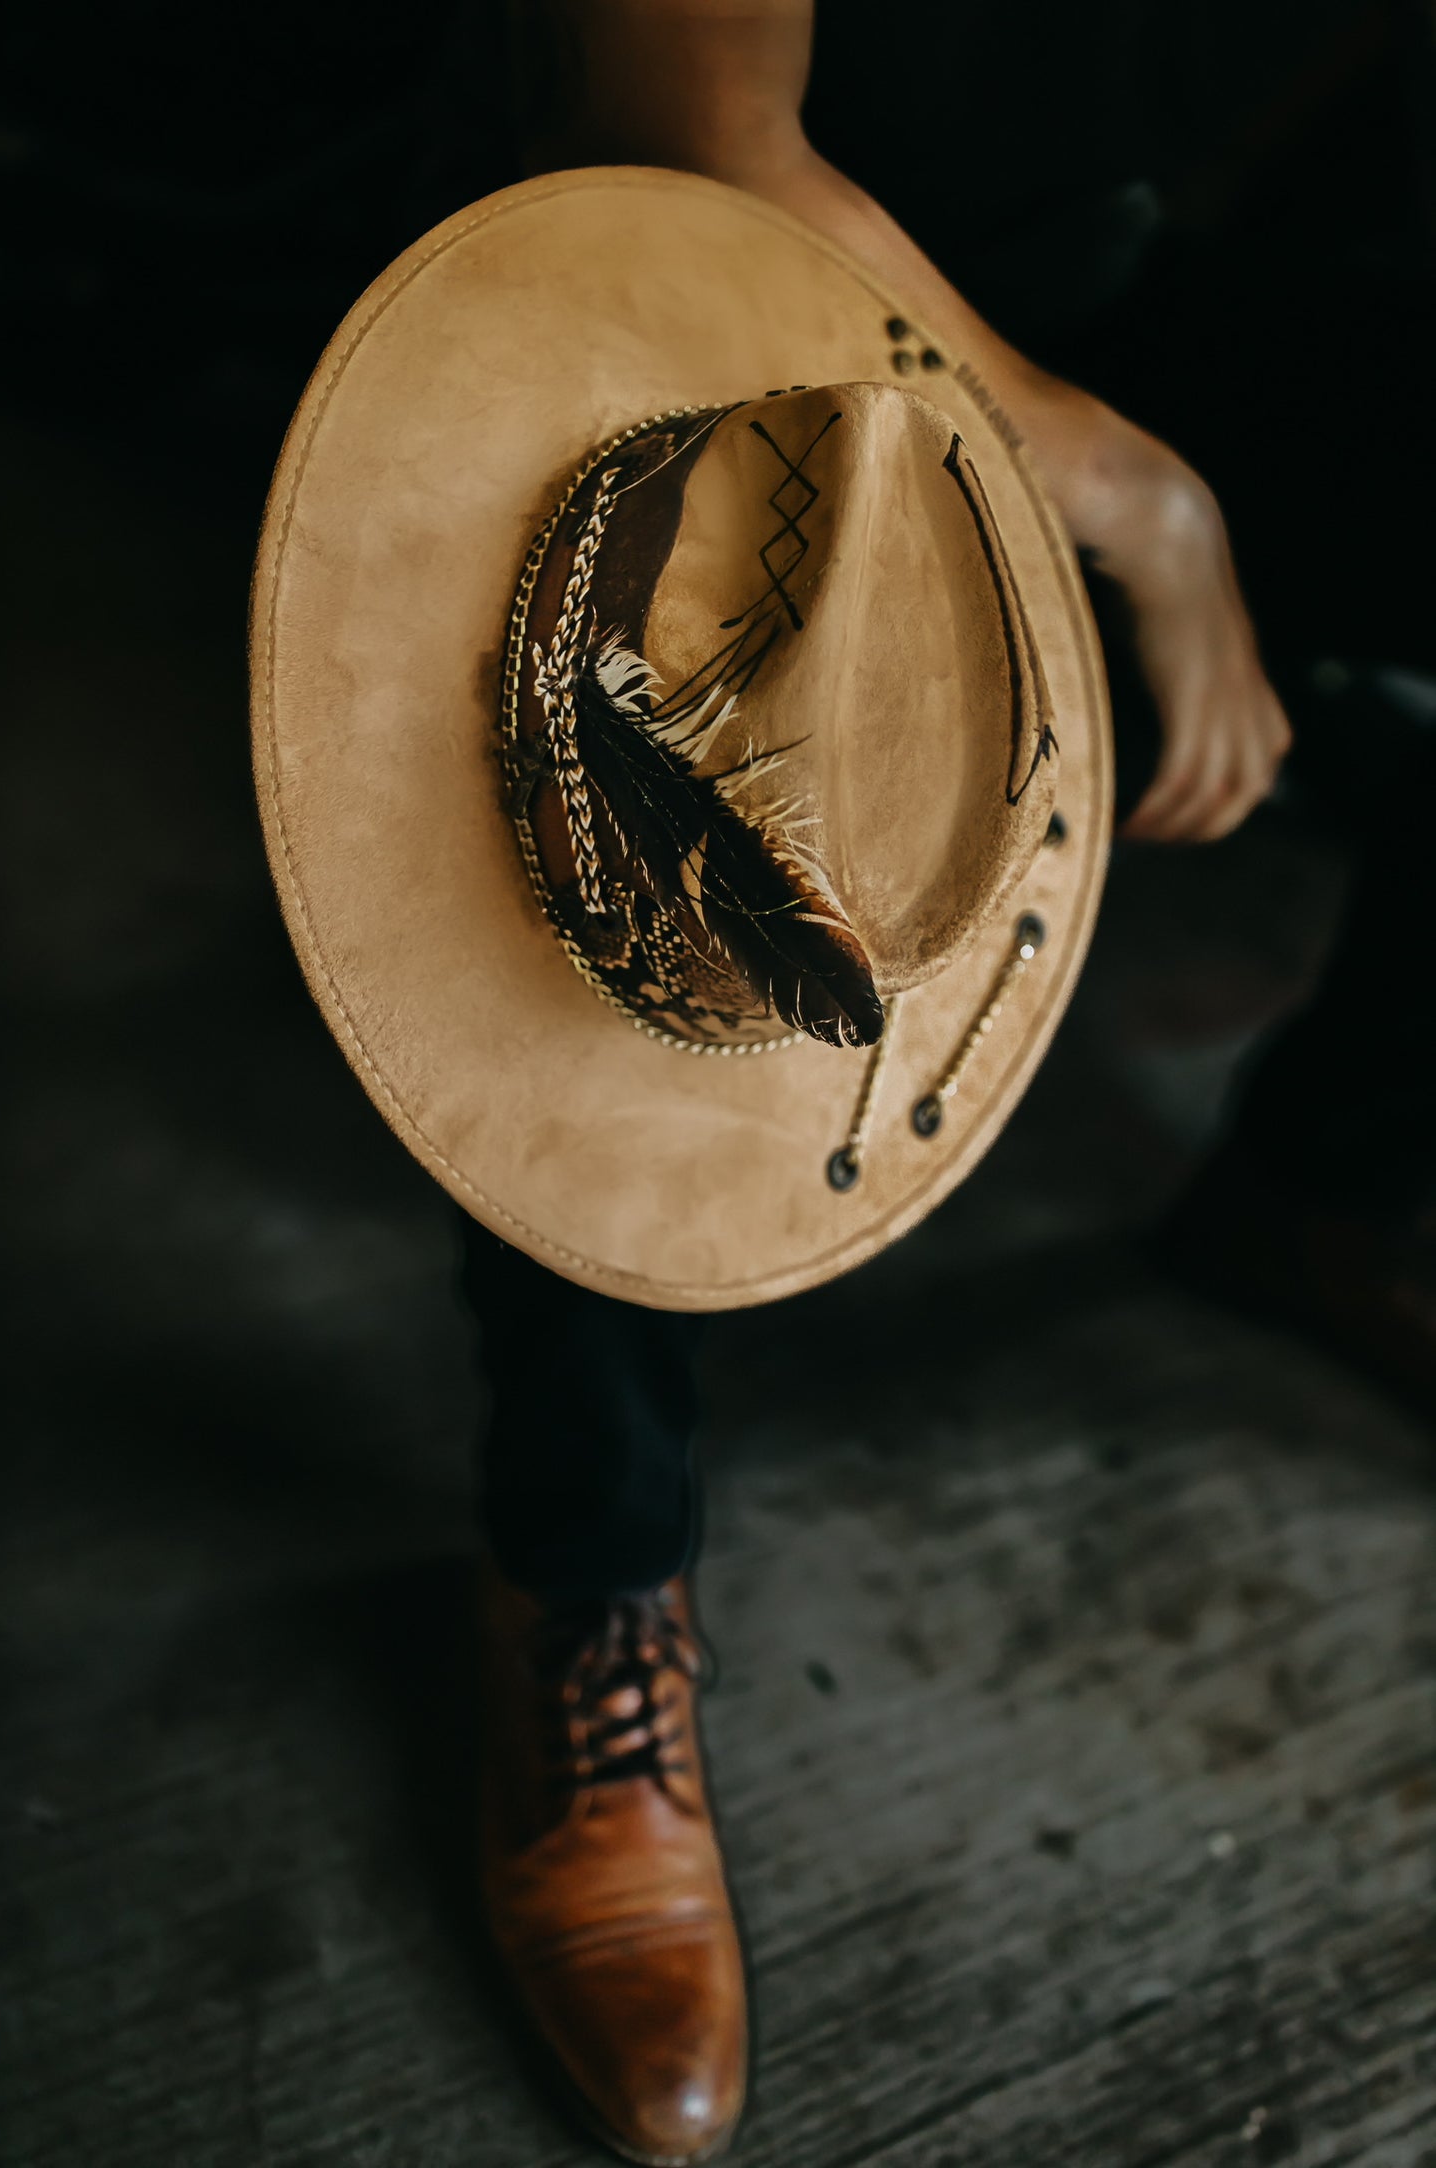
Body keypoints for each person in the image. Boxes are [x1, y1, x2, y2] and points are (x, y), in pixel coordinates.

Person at [377, 6, 1436, 2159]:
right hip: (681, 276)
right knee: (658, 840)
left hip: (1098, 274)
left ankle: (1326, 1178)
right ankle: (589, 1571)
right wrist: (1123, 488)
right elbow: (679, 129)